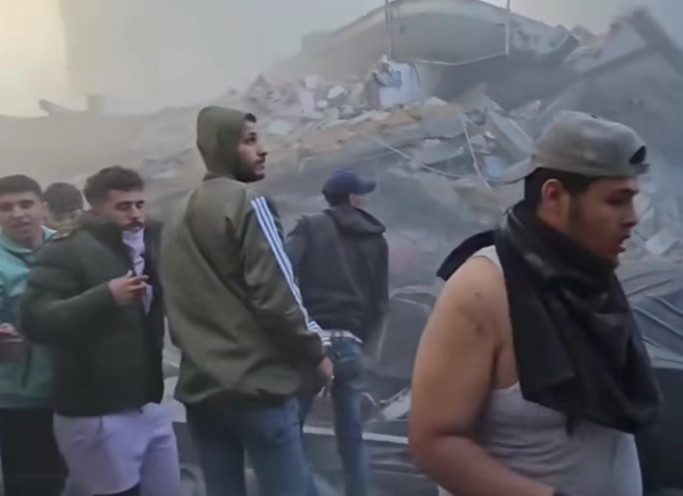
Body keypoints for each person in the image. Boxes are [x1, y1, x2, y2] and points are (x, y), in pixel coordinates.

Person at [409, 111, 660, 496]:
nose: (632, 219)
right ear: (555, 197)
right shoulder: (484, 290)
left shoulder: (591, 275)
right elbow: (435, 442)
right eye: (616, 201)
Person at [160, 106, 333, 496]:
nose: (263, 150)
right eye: (250, 141)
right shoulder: (248, 202)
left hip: (202, 392)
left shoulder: (176, 215)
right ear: (224, 147)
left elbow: (178, 302)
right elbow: (279, 298)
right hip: (257, 389)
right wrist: (315, 354)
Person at [20, 166, 180, 496]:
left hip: (148, 403)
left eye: (139, 204)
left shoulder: (149, 241)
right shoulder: (64, 250)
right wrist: (104, 297)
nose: (135, 215)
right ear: (95, 210)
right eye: (123, 207)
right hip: (96, 413)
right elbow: (36, 321)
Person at [286, 168, 389, 496]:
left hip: (310, 345)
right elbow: (380, 302)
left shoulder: (309, 227)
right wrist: (362, 341)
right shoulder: (377, 240)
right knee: (351, 437)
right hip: (350, 345)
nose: (367, 201)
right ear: (353, 198)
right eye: (364, 195)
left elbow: (281, 273)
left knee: (289, 432)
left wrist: (295, 327)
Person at [0, 175, 67, 496]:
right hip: (18, 400)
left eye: (25, 204)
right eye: (6, 208)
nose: (17, 214)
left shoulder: (69, 248)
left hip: (76, 395)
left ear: (43, 207)